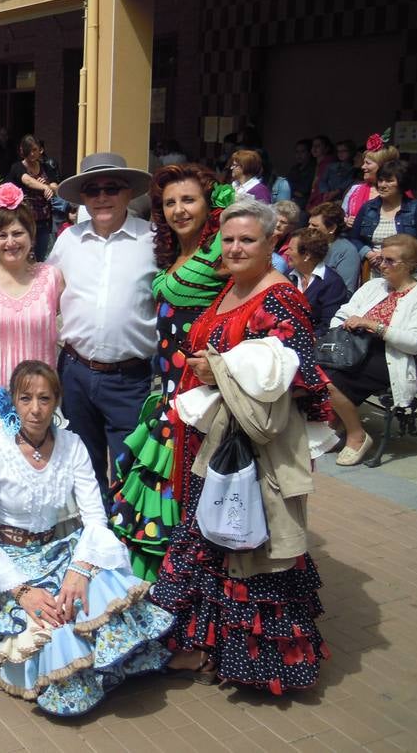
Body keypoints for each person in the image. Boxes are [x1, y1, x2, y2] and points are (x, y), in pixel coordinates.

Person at [149, 198, 331, 693]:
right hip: (210, 440)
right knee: (212, 539)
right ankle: (205, 647)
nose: (234, 248)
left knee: (246, 544)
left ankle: (257, 662)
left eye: (247, 240)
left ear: (274, 242)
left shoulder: (280, 299)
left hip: (248, 451)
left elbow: (299, 378)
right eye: (228, 240)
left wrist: (222, 370)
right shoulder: (234, 285)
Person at [0, 361, 173, 715]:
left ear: (57, 400)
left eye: (44, 398)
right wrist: (22, 592)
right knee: (53, 624)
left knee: (95, 592)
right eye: (25, 399)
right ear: (13, 401)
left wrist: (80, 570)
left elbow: (95, 517)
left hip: (61, 549)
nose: (35, 410)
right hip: (14, 562)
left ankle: (109, 666)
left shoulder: (72, 444)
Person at [110, 165, 232, 581]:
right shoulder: (170, 253)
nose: (179, 210)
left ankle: (192, 589)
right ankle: (163, 585)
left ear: (208, 204)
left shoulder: (222, 250)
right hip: (165, 391)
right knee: (162, 487)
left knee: (190, 490)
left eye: (189, 199)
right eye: (170, 203)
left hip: (201, 396)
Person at [49, 153, 155, 505]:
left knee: (130, 468)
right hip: (76, 373)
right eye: (93, 190)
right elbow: (41, 289)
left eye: (112, 188)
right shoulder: (68, 240)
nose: (102, 197)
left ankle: (127, 546)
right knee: (83, 466)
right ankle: (93, 541)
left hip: (130, 378)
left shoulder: (153, 241)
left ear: (128, 193)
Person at [0, 184, 63, 475]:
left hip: (41, 400)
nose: (10, 242)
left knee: (41, 482)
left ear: (32, 235)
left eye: (18, 233)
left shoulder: (52, 278)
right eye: (1, 235)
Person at [323, 233, 417, 467]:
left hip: (391, 356)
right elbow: (343, 312)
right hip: (353, 347)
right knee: (311, 367)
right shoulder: (374, 286)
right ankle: (334, 421)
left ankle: (356, 435)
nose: (382, 265)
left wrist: (374, 326)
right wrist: (342, 329)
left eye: (390, 261)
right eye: (382, 259)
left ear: (410, 265)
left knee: (328, 379)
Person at [348, 160, 417, 276]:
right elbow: (354, 238)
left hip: (406, 274)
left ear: (402, 183)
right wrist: (368, 253)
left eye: (389, 181)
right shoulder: (368, 207)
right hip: (373, 272)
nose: (382, 185)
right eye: (381, 180)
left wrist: (390, 256)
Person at [287, 226, 349, 336]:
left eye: (291, 249)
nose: (286, 253)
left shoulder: (332, 283)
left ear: (306, 255)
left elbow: (328, 325)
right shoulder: (288, 276)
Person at [6, 136, 57, 262]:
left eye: (35, 149)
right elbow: (27, 180)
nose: (32, 153)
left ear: (40, 150)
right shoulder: (17, 167)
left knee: (40, 257)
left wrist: (49, 186)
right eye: (29, 150)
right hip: (24, 221)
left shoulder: (46, 167)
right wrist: (45, 187)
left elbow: (56, 186)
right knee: (25, 256)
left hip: (44, 220)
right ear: (22, 151)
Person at [343, 134, 400, 227]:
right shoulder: (355, 190)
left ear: (382, 166)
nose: (363, 167)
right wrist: (346, 220)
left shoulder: (399, 192)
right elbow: (342, 215)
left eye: (367, 163)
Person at [307, 202, 361, 291]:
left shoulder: (347, 252)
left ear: (332, 228)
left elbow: (345, 291)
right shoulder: (306, 244)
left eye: (315, 226)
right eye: (309, 224)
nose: (309, 228)